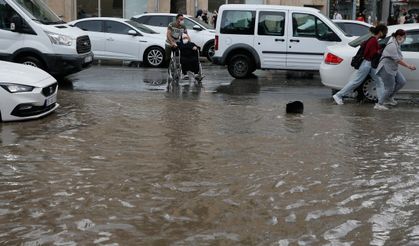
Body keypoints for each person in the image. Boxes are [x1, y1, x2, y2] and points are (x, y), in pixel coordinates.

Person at [333, 24, 388, 105]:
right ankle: (338, 95)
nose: (385, 34)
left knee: (378, 81)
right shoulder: (373, 40)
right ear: (380, 32)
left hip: (369, 64)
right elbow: (369, 53)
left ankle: (381, 102)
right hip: (367, 64)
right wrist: (378, 52)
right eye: (384, 32)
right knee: (356, 81)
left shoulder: (373, 40)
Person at [374, 29, 416, 110]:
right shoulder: (392, 45)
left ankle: (389, 98)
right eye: (403, 37)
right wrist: (409, 66)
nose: (404, 39)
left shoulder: (396, 43)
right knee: (389, 87)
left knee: (402, 81)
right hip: (386, 68)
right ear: (398, 36)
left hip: (393, 67)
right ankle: (379, 104)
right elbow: (397, 59)